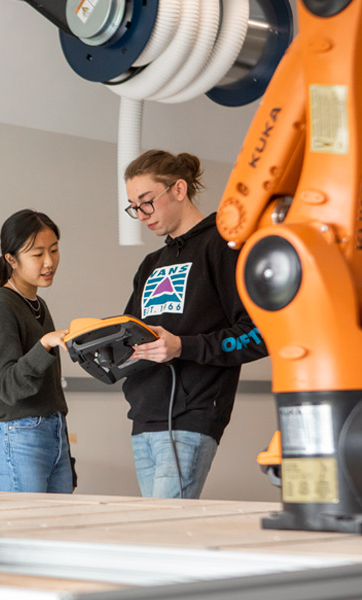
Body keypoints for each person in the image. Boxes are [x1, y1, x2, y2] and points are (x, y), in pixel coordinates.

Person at [121, 149, 267, 499]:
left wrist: (182, 346)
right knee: (157, 535)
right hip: (144, 418)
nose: (141, 215)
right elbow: (131, 332)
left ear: (179, 190)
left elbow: (260, 334)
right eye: (133, 206)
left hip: (191, 416)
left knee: (163, 538)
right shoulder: (150, 263)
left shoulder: (225, 246)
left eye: (147, 202)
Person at [0, 209, 74, 493]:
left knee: (54, 533)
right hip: (20, 435)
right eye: (37, 254)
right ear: (11, 259)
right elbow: (7, 385)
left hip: (53, 430)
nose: (49, 262)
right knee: (22, 533)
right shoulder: (1, 306)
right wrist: (44, 345)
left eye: (54, 250)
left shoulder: (38, 306)